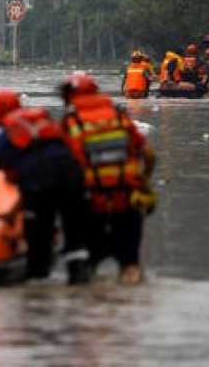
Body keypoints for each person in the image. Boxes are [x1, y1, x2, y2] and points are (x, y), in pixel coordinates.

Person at [0, 89, 91, 284]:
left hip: (39, 183)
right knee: (74, 231)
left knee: (38, 233)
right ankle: (78, 275)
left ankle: (38, 278)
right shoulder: (42, 123)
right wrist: (14, 212)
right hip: (73, 176)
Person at [60, 73, 156, 285]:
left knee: (88, 266)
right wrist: (144, 184)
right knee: (130, 265)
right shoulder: (120, 117)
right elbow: (148, 155)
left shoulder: (71, 122)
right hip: (128, 200)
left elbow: (65, 169)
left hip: (92, 204)